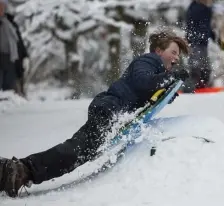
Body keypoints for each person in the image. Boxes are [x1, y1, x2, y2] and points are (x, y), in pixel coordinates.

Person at [0, 30, 190, 197]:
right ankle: (21, 170)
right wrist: (171, 77)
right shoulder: (148, 61)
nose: (175, 58)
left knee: (80, 152)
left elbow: (151, 93)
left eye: (178, 56)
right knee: (78, 150)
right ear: (158, 51)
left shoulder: (157, 70)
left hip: (110, 109)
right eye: (173, 52)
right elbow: (143, 82)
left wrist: (171, 87)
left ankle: (19, 171)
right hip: (109, 108)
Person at [184, 0, 223, 92]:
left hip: (203, 43)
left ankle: (201, 86)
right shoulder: (195, 8)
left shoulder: (206, 9)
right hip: (195, 42)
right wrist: (193, 39)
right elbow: (191, 26)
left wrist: (214, 38)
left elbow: (207, 27)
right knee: (196, 67)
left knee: (205, 68)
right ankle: (190, 88)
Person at [0, 0, 28, 96]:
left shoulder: (10, 22)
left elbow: (18, 42)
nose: (1, 8)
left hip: (10, 59)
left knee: (9, 89)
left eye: (2, 6)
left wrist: (24, 55)